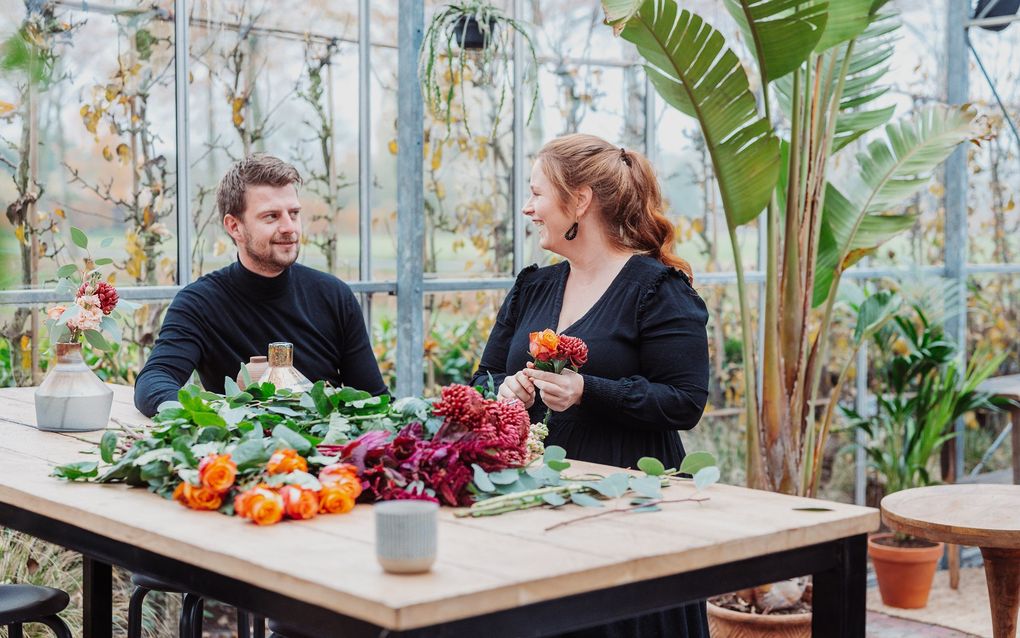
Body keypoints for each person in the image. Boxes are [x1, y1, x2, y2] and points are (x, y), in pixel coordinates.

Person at [470, 133, 710, 638]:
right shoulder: (533, 285)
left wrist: (588, 390)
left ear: (579, 200)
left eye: (537, 193)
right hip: (538, 496)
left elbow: (685, 402)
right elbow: (483, 378)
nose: (527, 208)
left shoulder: (658, 289)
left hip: (629, 502)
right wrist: (505, 390)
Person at [134, 154, 386, 417]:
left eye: (294, 213)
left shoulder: (334, 296)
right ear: (235, 227)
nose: (289, 227)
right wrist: (198, 417)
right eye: (271, 216)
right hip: (237, 452)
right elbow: (155, 379)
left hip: (328, 452)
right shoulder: (199, 304)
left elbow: (374, 399)